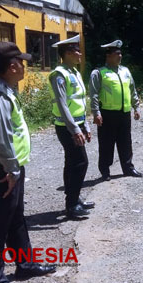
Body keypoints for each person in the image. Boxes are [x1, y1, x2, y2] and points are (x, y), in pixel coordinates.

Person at [0, 42, 55, 283]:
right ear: (11, 67)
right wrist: (11, 169)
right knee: (0, 222)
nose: (24, 67)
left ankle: (25, 265)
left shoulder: (3, 90)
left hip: (8, 168)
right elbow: (1, 139)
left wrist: (15, 168)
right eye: (22, 63)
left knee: (15, 217)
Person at [47, 35, 94, 219]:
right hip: (66, 126)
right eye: (76, 50)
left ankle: (74, 198)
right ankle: (72, 205)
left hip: (78, 123)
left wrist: (86, 125)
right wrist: (75, 130)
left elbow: (80, 101)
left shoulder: (74, 72)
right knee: (81, 162)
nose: (80, 53)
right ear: (67, 53)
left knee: (72, 162)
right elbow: (62, 104)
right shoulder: (58, 74)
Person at [89, 40, 143, 181]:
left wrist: (136, 107)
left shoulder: (125, 71)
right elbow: (93, 94)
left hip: (124, 113)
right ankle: (105, 171)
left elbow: (132, 90)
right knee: (106, 144)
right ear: (108, 55)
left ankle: (128, 168)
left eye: (120, 53)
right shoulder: (99, 72)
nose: (120, 56)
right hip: (107, 114)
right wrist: (96, 113)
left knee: (126, 142)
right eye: (116, 53)